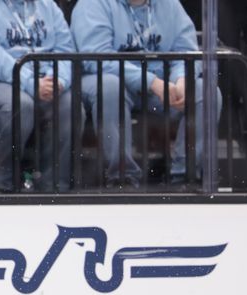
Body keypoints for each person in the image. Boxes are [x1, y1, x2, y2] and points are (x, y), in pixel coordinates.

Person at [71, 0, 222, 188]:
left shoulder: (170, 5)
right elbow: (98, 58)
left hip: (159, 86)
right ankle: (122, 177)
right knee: (110, 87)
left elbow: (187, 51)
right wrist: (152, 82)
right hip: (107, 79)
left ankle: (184, 176)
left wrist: (182, 79)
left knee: (204, 90)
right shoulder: (92, 4)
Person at [0, 0, 81, 193]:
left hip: (44, 80)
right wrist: (30, 82)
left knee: (69, 105)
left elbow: (65, 48)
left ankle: (55, 187)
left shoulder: (47, 5)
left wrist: (59, 80)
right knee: (19, 104)